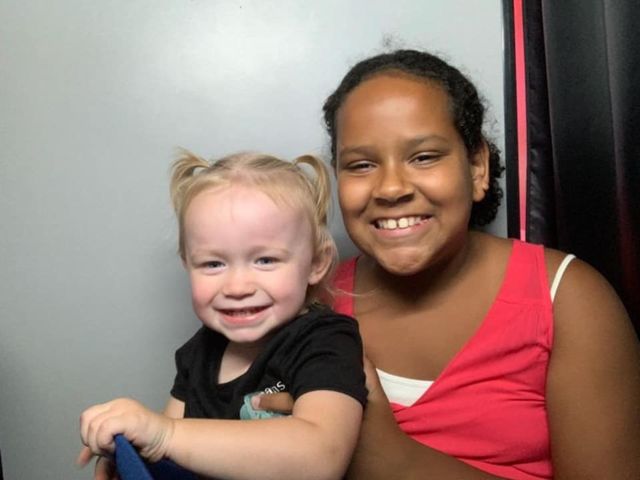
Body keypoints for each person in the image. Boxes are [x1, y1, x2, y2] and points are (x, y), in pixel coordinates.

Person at [256, 49, 640, 479]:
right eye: (361, 165)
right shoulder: (311, 303)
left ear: (477, 168)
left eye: (424, 157)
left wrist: (390, 457)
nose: (391, 188)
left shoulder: (567, 300)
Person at [77, 151, 367, 480]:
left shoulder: (324, 340)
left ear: (316, 263)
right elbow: (173, 455)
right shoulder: (198, 353)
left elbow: (322, 457)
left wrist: (163, 434)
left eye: (266, 260)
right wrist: (134, 452)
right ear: (187, 264)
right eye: (213, 264)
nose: (237, 287)